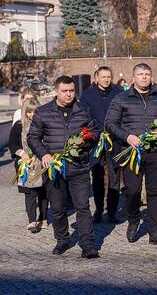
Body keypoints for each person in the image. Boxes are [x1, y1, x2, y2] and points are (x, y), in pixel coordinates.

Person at [28, 76, 100, 258]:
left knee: (83, 206)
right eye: (65, 91)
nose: (69, 94)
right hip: (54, 169)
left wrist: (85, 142)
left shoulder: (84, 110)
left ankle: (87, 244)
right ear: (56, 91)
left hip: (79, 168)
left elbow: (95, 132)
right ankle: (62, 240)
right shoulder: (43, 112)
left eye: (71, 91)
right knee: (58, 208)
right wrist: (44, 154)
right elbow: (33, 137)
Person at [106, 63, 157, 246]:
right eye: (140, 74)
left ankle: (155, 233)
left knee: (154, 192)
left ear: (151, 76)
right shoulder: (121, 98)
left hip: (156, 152)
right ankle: (134, 219)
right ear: (133, 77)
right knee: (133, 191)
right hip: (132, 153)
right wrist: (127, 137)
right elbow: (110, 123)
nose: (144, 77)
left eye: (147, 74)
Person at [79, 66, 123, 224]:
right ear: (96, 78)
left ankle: (112, 211)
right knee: (97, 177)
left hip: (115, 141)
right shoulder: (87, 95)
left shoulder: (118, 92)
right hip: (95, 142)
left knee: (115, 177)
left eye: (108, 77)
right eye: (103, 77)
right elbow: (83, 117)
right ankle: (98, 209)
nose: (106, 79)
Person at [9, 98, 48, 233]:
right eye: (29, 112)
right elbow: (12, 144)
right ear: (24, 112)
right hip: (25, 164)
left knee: (43, 192)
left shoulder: (43, 124)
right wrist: (22, 154)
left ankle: (43, 218)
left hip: (41, 162)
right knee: (29, 193)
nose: (31, 115)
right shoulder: (18, 126)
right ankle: (32, 220)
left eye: (34, 111)